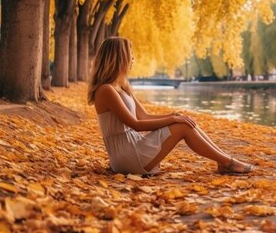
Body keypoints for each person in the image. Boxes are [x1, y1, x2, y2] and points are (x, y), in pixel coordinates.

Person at [87, 37, 254, 176]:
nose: (133, 60)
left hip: (133, 147)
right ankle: (228, 162)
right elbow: (136, 124)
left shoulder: (122, 87)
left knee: (185, 121)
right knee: (182, 125)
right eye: (130, 56)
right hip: (126, 155)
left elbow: (144, 116)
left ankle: (224, 159)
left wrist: (174, 114)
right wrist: (173, 119)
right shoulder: (106, 90)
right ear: (119, 59)